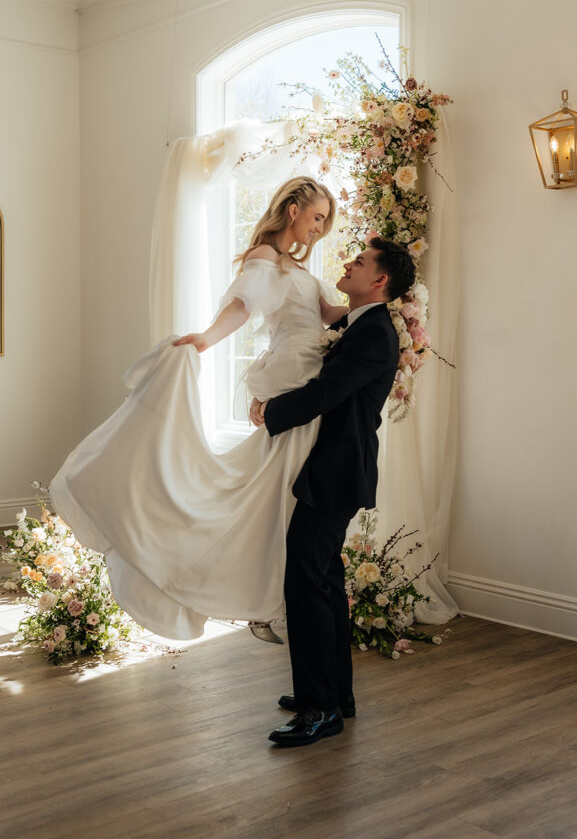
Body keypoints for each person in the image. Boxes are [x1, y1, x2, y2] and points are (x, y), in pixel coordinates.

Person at [49, 176, 345, 643]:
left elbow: (329, 315)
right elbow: (243, 307)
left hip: (310, 377)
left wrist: (387, 309)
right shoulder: (265, 258)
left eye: (324, 221)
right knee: (270, 493)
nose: (319, 228)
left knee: (275, 494)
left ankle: (266, 595)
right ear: (293, 210)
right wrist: (207, 337)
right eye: (316, 218)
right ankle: (257, 595)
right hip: (296, 378)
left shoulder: (296, 267)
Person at [249, 237, 416, 747]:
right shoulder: (357, 325)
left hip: (337, 473)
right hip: (336, 471)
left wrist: (268, 413)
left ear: (380, 281)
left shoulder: (373, 335)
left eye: (360, 262)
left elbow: (324, 394)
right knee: (322, 583)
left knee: (306, 585)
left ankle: (319, 710)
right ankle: (333, 695)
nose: (348, 262)